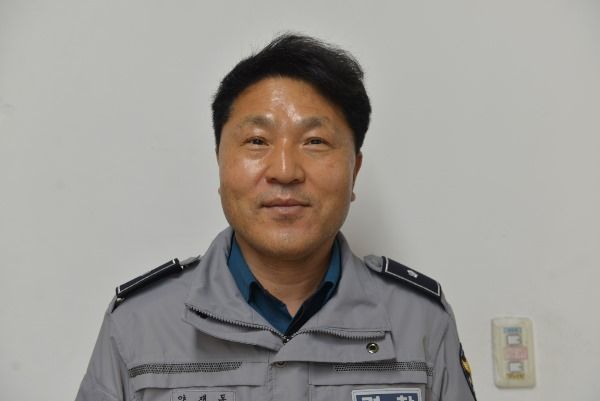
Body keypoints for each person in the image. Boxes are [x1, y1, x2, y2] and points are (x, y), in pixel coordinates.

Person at [76, 34, 476, 401]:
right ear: (220, 164)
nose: (285, 171)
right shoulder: (138, 325)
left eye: (315, 141)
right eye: (257, 141)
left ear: (354, 172)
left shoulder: (421, 322)